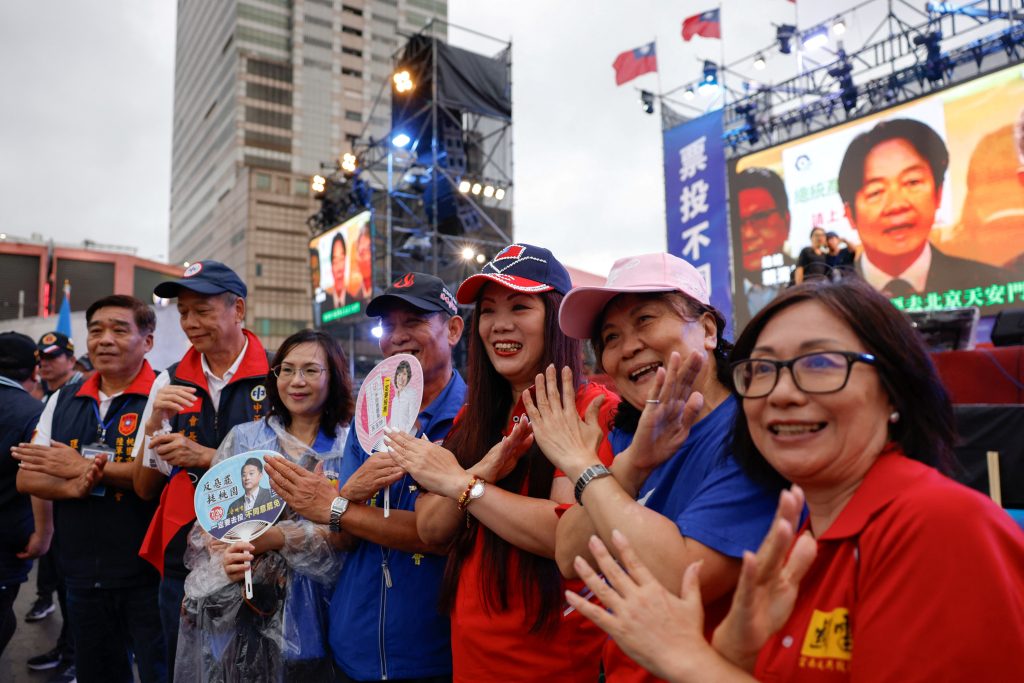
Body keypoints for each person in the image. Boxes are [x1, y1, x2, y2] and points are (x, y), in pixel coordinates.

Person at [565, 277, 1024, 681]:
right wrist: (733, 653)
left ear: (892, 388)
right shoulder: (806, 542)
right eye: (762, 370)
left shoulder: (942, 525)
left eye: (820, 364)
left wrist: (689, 660)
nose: (782, 394)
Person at [527, 252, 777, 683]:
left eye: (644, 319)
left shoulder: (755, 430)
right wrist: (632, 466)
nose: (628, 347)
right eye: (610, 337)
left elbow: (685, 577)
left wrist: (584, 467)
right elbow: (569, 554)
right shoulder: (626, 432)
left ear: (708, 329)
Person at [386, 244, 619, 683]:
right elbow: (432, 528)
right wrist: (482, 471)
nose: (500, 325)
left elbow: (562, 534)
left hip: (554, 664)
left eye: (520, 306)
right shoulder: (471, 417)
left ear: (557, 319)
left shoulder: (592, 410)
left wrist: (465, 485)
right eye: (488, 310)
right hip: (470, 658)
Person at [266, 272, 466, 682]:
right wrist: (345, 499)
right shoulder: (370, 418)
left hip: (435, 652)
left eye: (414, 321)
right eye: (388, 325)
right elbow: (340, 537)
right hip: (352, 644)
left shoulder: (473, 416)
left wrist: (336, 504)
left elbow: (441, 535)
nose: (397, 336)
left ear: (455, 329)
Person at [176, 329, 353, 681]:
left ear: (333, 376)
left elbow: (353, 529)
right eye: (286, 370)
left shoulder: (351, 446)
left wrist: (275, 537)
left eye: (311, 370)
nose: (296, 381)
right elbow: (209, 531)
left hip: (330, 605)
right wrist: (224, 553)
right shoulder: (245, 438)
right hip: (249, 604)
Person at [132, 259, 271, 681]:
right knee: (185, 665)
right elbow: (144, 487)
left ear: (239, 310)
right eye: (184, 312)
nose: (191, 323)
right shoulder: (168, 383)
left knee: (260, 666)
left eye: (203, 310)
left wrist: (205, 456)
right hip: (185, 558)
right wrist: (155, 425)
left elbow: (299, 472)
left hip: (260, 554)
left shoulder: (280, 374)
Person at [15, 295, 166, 683]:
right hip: (81, 573)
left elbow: (150, 480)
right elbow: (27, 477)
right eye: (96, 330)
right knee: (98, 672)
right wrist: (76, 487)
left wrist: (81, 467)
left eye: (120, 329)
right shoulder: (62, 399)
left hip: (149, 575)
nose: (105, 340)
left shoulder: (163, 396)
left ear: (147, 340)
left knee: (159, 671)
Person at [838, 118, 1011, 296]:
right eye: (876, 192)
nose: (897, 205)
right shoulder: (833, 301)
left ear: (938, 194)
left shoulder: (994, 284)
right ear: (850, 215)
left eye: (912, 182)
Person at [0, 333, 52, 659]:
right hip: (7, 540)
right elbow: (37, 475)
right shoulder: (33, 411)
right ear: (34, 371)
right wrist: (43, 533)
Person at [733, 168, 794, 318]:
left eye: (760, 217)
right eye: (738, 222)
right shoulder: (720, 297)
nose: (748, 233)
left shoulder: (811, 276)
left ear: (786, 221)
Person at [36, 332, 83, 397]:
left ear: (71, 361)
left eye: (51, 357)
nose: (43, 363)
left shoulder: (84, 390)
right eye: (40, 357)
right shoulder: (41, 392)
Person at [389, 359, 419, 432]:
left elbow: (412, 421)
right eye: (399, 374)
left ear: (408, 376)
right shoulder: (394, 399)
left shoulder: (412, 394)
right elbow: (393, 423)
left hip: (408, 439)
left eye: (404, 374)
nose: (401, 378)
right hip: (394, 439)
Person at [327, 233, 348, 309]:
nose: (339, 268)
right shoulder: (323, 307)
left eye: (341, 259)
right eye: (335, 261)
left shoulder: (357, 301)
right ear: (331, 265)